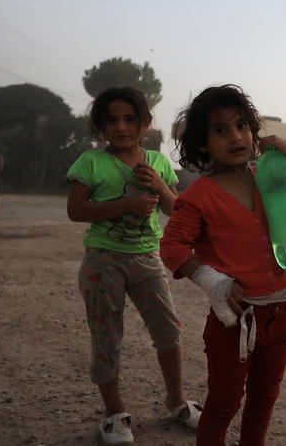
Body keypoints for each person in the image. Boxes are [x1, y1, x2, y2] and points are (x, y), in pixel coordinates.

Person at [160, 84, 286, 446]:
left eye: (241, 126)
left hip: (282, 311)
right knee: (224, 403)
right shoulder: (199, 195)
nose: (235, 137)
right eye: (220, 130)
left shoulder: (269, 177)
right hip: (235, 320)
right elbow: (172, 246)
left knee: (264, 399)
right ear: (203, 143)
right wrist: (211, 279)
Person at [66, 87, 201, 445]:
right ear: (100, 125)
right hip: (102, 261)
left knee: (168, 330)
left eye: (130, 119)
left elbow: (174, 209)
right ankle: (114, 415)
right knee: (106, 337)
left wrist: (159, 185)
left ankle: (176, 400)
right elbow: (75, 210)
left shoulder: (157, 162)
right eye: (112, 120)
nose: (122, 127)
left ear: (145, 122)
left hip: (147, 258)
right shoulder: (90, 163)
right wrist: (125, 205)